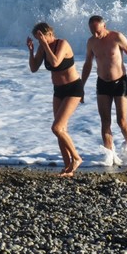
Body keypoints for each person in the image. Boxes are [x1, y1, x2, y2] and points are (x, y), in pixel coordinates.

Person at [27, 22, 83, 177]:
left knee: (56, 128)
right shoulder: (42, 47)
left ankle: (77, 158)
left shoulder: (62, 43)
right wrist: (31, 51)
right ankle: (68, 168)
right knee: (61, 130)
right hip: (58, 90)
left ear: (49, 33)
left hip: (73, 88)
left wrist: (44, 44)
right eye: (38, 39)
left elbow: (55, 62)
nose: (40, 41)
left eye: (41, 37)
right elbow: (33, 68)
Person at [81, 15, 127, 154]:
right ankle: (109, 156)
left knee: (121, 121)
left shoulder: (117, 37)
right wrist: (81, 86)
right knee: (105, 122)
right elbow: (88, 64)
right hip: (102, 83)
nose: (95, 34)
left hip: (120, 82)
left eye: (98, 31)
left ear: (104, 25)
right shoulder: (91, 42)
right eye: (92, 31)